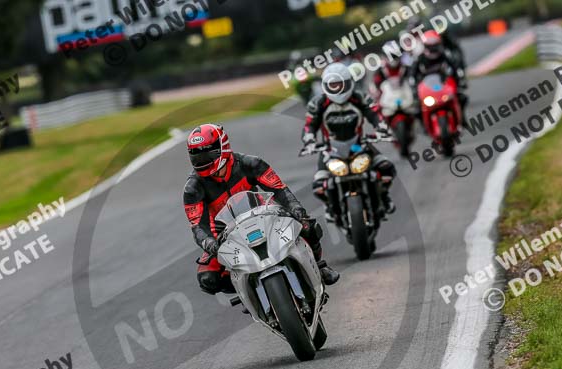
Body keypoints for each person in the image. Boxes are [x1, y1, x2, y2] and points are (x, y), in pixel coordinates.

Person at [183, 123, 340, 295]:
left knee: (308, 226)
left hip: (264, 213)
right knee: (208, 279)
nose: (202, 161)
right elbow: (198, 226)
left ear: (223, 147)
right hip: (223, 233)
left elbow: (280, 190)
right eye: (197, 156)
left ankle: (319, 266)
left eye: (207, 154)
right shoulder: (193, 188)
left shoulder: (251, 163)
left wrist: (296, 210)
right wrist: (210, 243)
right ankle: (249, 292)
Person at [301, 62, 397, 222]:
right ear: (325, 85)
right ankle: (330, 207)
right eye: (332, 85)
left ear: (348, 82)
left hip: (359, 144)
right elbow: (310, 125)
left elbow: (374, 114)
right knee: (318, 185)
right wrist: (309, 140)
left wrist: (381, 128)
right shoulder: (318, 103)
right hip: (330, 149)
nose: (336, 88)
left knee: (387, 168)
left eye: (339, 84)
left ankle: (384, 197)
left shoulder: (359, 97)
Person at [410, 30, 469, 121]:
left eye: (435, 45)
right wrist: (415, 88)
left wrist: (460, 81)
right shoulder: (420, 58)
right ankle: (424, 125)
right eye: (430, 46)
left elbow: (455, 68)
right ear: (425, 46)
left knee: (462, 98)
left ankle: (462, 119)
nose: (433, 48)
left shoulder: (444, 54)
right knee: (417, 108)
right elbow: (413, 74)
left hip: (444, 83)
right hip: (427, 86)